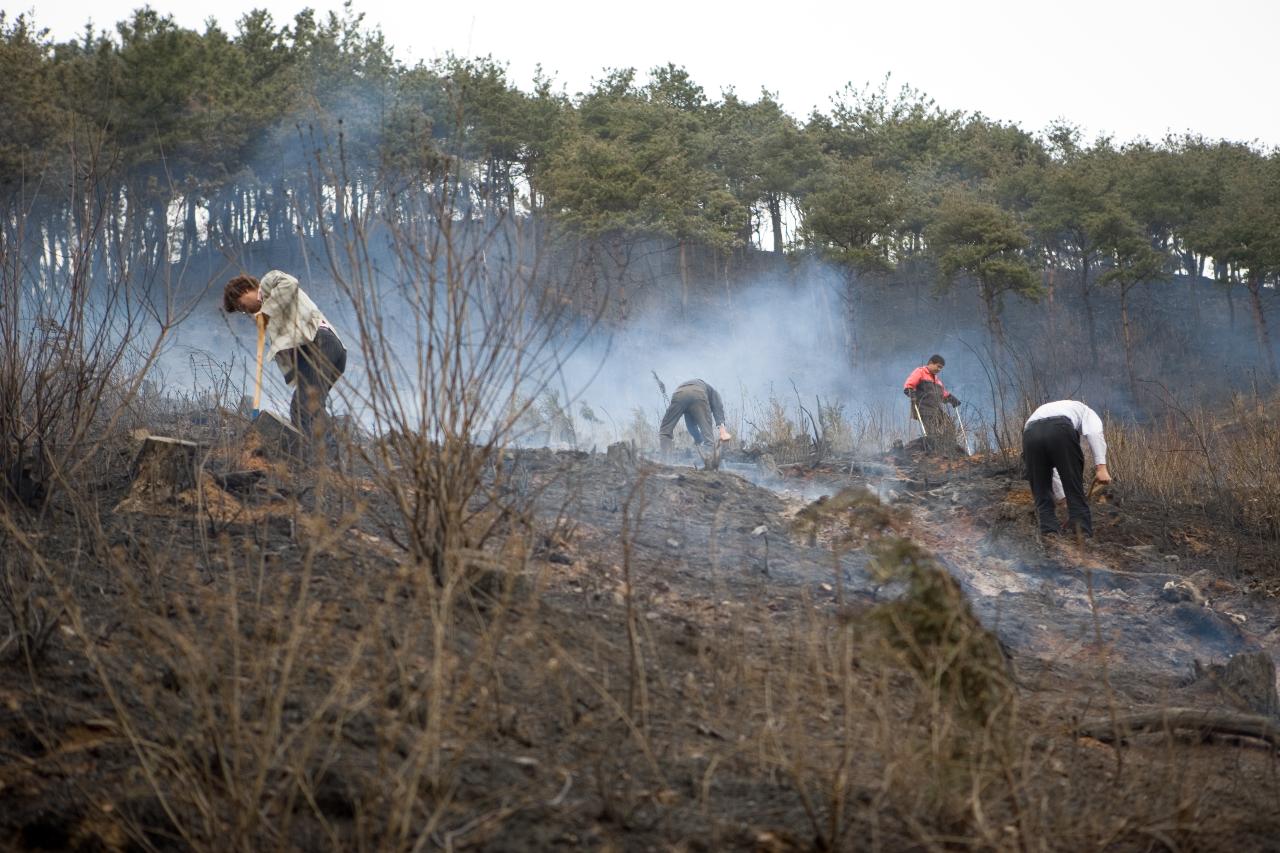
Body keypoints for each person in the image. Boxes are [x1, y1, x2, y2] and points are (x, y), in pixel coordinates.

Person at [223, 271, 347, 456]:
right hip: (323, 351)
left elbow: (290, 284)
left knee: (304, 407)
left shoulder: (270, 282)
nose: (245, 311)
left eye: (241, 305)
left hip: (321, 343)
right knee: (304, 408)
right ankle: (327, 455)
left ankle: (329, 459)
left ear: (247, 289)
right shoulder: (270, 317)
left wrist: (265, 313)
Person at [1022, 399, 1112, 538]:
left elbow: (1053, 472)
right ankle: (1081, 533)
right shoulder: (1087, 411)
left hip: (1030, 434)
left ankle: (1049, 532)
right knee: (1073, 483)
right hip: (1060, 428)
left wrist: (1062, 497)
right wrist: (1101, 467)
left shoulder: (1052, 409)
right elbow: (1095, 434)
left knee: (1041, 488)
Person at [903, 354, 961, 453]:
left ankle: (949, 449)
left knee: (949, 425)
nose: (939, 369)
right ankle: (932, 453)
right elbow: (909, 385)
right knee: (932, 432)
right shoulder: (920, 372)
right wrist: (910, 391)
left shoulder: (937, 380)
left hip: (936, 409)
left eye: (941, 368)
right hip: (924, 408)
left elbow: (942, 394)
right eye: (938, 366)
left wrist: (951, 398)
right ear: (930, 363)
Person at [658, 379, 730, 454]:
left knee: (665, 431)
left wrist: (698, 439)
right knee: (709, 440)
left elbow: (691, 426)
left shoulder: (691, 408)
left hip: (678, 393)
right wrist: (722, 429)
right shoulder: (713, 393)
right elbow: (718, 408)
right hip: (697, 392)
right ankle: (709, 458)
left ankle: (666, 458)